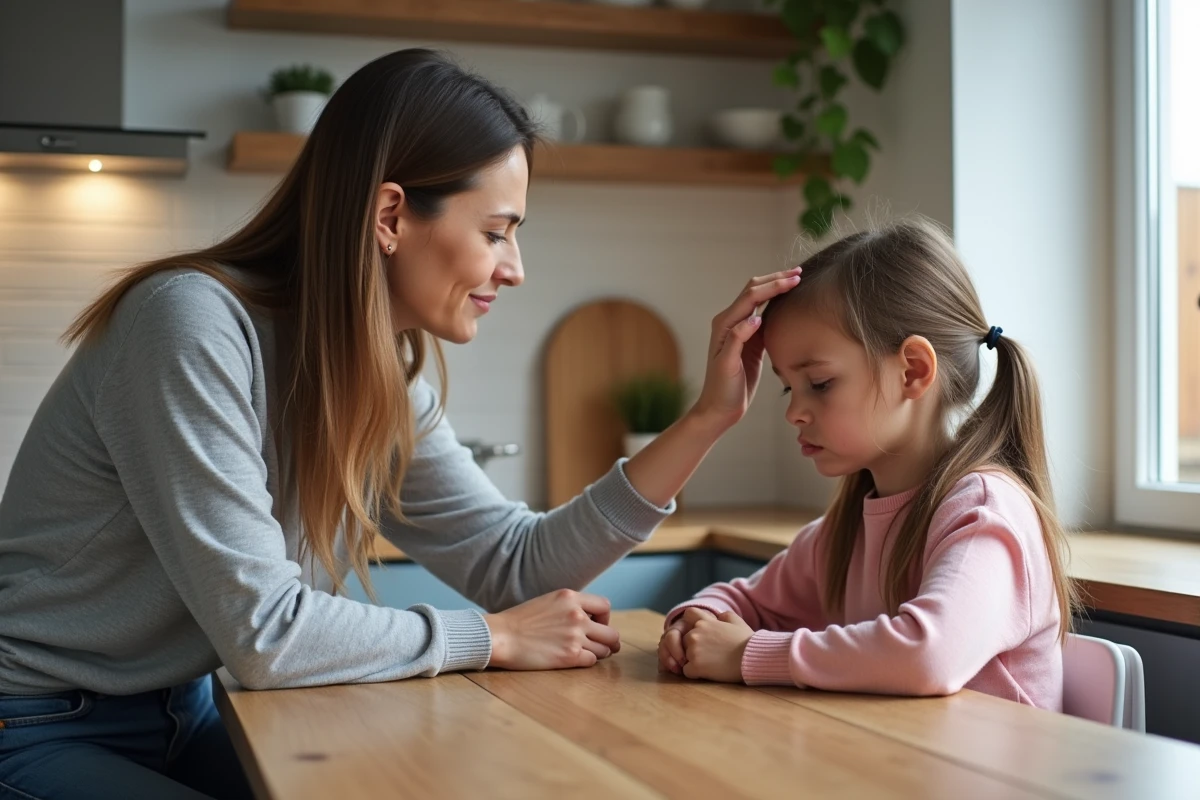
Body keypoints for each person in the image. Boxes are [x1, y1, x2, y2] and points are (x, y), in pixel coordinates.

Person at [0, 49, 800, 799]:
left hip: (192, 708)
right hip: (37, 721)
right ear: (390, 215)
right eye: (495, 232)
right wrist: (492, 638)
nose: (515, 269)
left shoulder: (374, 372)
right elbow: (267, 634)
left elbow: (516, 565)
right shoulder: (188, 324)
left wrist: (707, 419)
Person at [658, 219, 1078, 710]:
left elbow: (928, 654)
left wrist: (747, 653)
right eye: (789, 388)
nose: (794, 412)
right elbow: (749, 601)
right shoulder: (844, 530)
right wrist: (695, 622)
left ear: (913, 370)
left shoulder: (985, 511)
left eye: (819, 383)